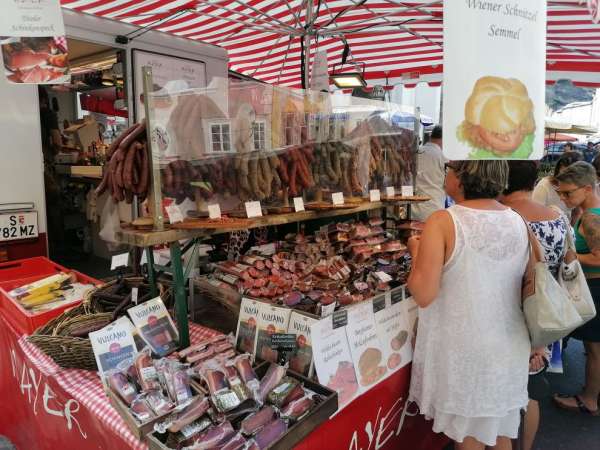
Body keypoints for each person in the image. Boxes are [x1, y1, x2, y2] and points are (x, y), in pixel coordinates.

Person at [407, 161, 530, 450]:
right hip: (510, 342)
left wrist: (416, 252)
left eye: (450, 168)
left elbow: (423, 293)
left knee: (468, 435)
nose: (445, 173)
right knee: (499, 429)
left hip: (466, 347)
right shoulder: (518, 220)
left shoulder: (444, 221)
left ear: (461, 179)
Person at [500, 161, 569, 450]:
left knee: (502, 393)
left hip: (509, 314)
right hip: (544, 312)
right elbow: (569, 260)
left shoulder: (506, 219)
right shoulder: (557, 215)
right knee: (531, 393)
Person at [553, 161, 600, 416]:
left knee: (594, 349)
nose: (563, 197)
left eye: (568, 192)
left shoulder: (591, 217)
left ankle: (589, 399)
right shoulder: (586, 212)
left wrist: (570, 256)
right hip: (593, 287)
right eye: (561, 192)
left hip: (595, 288)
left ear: (586, 188)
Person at [411, 125, 446, 222]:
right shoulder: (443, 156)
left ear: (431, 137)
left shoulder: (417, 152)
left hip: (413, 210)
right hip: (433, 208)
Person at [532, 152, 583, 217]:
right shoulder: (544, 186)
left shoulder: (579, 187)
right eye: (563, 174)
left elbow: (576, 213)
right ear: (558, 170)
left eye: (571, 175)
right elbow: (535, 213)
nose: (566, 178)